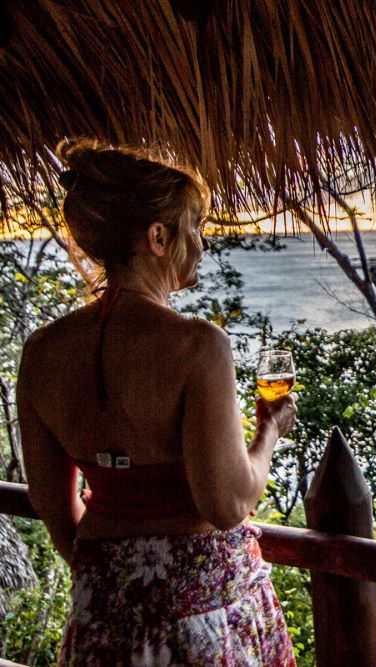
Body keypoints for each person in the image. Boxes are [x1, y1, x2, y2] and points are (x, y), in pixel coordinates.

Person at [16, 139, 299, 665]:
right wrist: (269, 432)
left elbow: (54, 505)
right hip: (201, 610)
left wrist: (116, 568)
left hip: (100, 604)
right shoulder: (197, 345)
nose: (203, 245)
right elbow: (228, 504)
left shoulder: (41, 352)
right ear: (158, 236)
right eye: (196, 228)